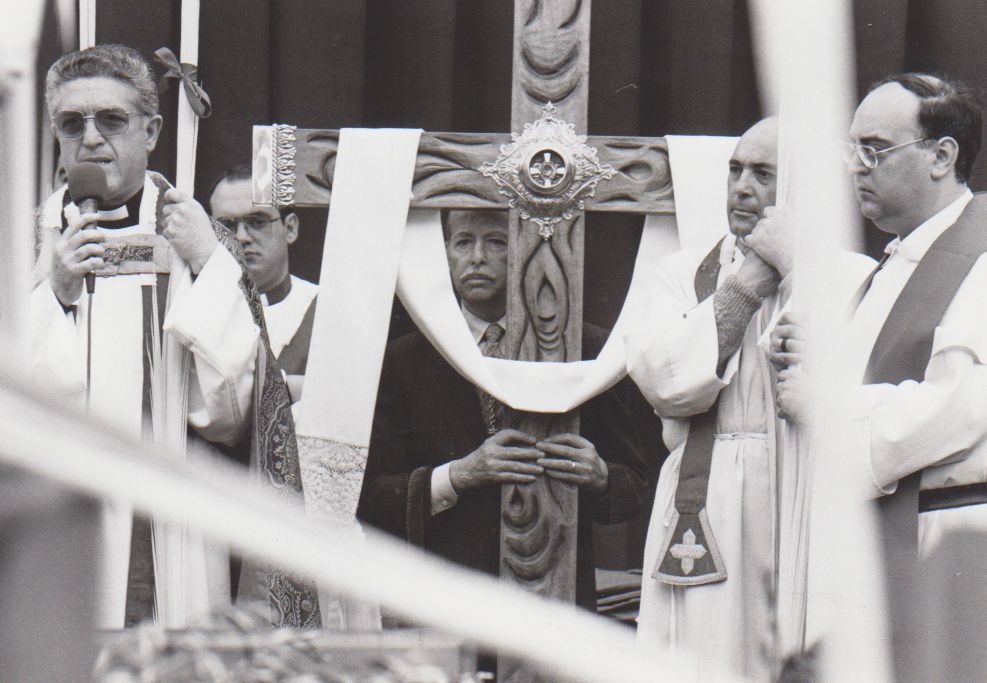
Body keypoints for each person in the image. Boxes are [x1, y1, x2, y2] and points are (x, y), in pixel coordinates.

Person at [30, 44, 315, 630]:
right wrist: (53, 294)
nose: (90, 139)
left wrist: (212, 266)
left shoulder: (194, 241)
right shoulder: (24, 240)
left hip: (170, 526)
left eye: (111, 120)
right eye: (71, 123)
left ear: (152, 130)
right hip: (57, 517)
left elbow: (230, 416)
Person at [357, 209, 649, 613]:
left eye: (496, 241)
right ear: (445, 252)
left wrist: (600, 476)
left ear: (526, 250)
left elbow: (634, 486)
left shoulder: (589, 351)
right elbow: (370, 496)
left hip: (556, 595)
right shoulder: (404, 360)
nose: (477, 257)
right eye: (463, 242)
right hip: (444, 597)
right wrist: (459, 475)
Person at [832, 72, 987, 675]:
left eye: (874, 149)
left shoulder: (979, 259)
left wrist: (825, 416)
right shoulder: (890, 265)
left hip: (946, 539)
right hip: (885, 531)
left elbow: (959, 408)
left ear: (941, 156)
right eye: (852, 150)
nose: (856, 167)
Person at [626, 117, 792, 680]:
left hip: (796, 490)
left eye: (764, 174)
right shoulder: (679, 273)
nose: (742, 186)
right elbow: (663, 381)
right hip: (707, 493)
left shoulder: (848, 275)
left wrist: (793, 269)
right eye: (736, 170)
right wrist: (745, 288)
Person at [208, 165, 317, 401]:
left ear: (290, 229)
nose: (242, 237)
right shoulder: (198, 315)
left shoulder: (324, 311)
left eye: (257, 221)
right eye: (227, 225)